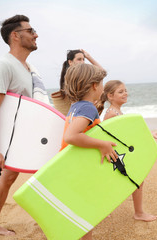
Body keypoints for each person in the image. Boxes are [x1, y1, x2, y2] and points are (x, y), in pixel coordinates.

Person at [0, 14, 49, 237]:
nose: (36, 34)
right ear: (16, 35)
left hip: (24, 136)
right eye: (31, 31)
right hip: (12, 140)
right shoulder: (4, 65)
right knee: (13, 177)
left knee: (8, 178)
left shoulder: (27, 67)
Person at [61, 63, 118, 240]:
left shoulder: (76, 106)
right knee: (87, 213)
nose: (102, 87)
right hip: (80, 170)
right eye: (101, 83)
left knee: (80, 211)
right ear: (94, 85)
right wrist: (102, 144)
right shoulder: (88, 108)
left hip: (71, 166)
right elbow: (71, 136)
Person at [97, 80, 157, 222]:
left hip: (120, 155)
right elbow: (103, 135)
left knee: (135, 181)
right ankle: (137, 213)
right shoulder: (111, 113)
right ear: (110, 96)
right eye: (120, 92)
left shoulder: (117, 111)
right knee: (134, 180)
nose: (125, 93)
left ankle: (111, 211)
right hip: (116, 156)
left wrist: (150, 134)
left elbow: (127, 134)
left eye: (125, 90)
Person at [51, 49, 102, 116]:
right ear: (70, 62)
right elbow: (101, 72)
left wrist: (88, 57)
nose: (82, 62)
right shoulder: (72, 77)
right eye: (79, 59)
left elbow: (102, 73)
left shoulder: (79, 75)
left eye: (83, 59)